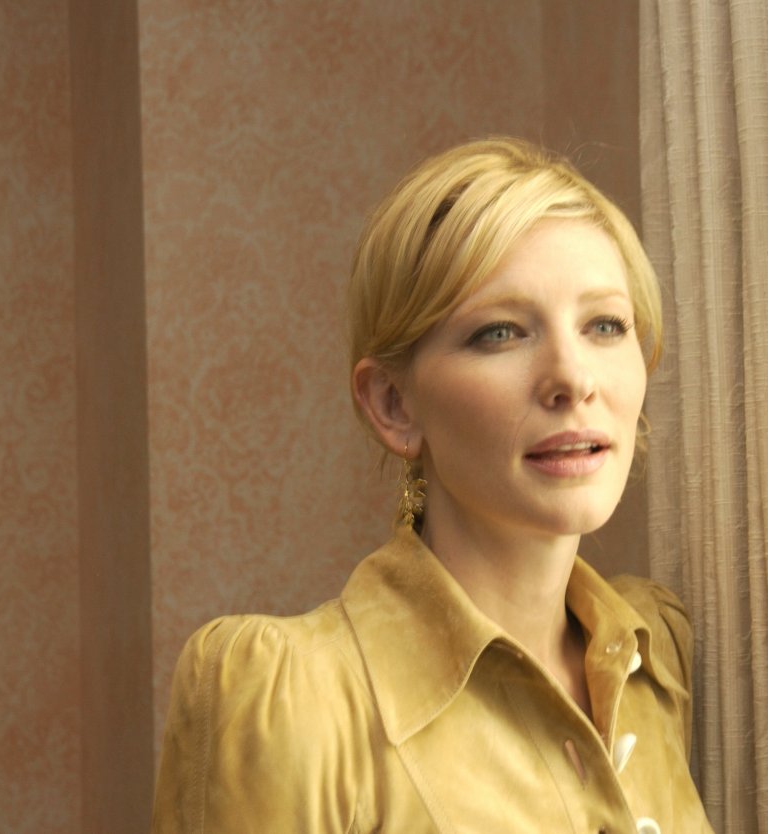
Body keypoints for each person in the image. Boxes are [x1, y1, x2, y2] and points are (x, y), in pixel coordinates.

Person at [151, 138, 714, 834]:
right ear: (394, 405)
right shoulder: (292, 702)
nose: (573, 378)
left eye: (604, 324)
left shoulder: (652, 659)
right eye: (501, 333)